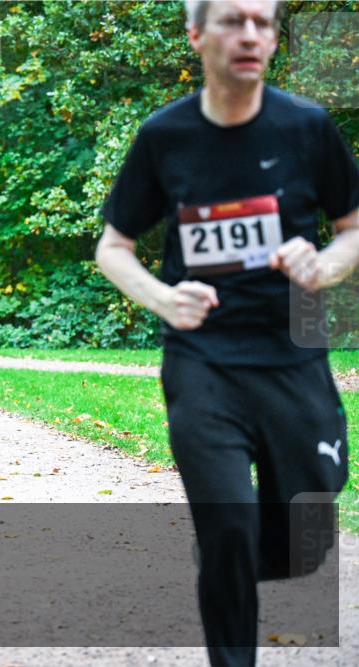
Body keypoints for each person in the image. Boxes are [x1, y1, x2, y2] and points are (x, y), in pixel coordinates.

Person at [95, 1, 358, 665]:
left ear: (273, 38)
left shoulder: (307, 127)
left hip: (291, 356)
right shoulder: (166, 136)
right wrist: (164, 298)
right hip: (202, 358)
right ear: (196, 36)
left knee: (306, 522)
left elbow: (354, 228)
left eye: (263, 23)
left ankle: (236, 544)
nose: (249, 34)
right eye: (232, 21)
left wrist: (322, 264)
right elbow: (114, 246)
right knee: (228, 525)